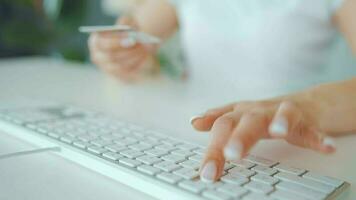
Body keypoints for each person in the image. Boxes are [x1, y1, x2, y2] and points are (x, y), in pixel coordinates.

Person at [88, 0, 356, 182]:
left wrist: (303, 106)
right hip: (190, 141)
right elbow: (128, 40)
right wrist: (111, 51)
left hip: (296, 156)